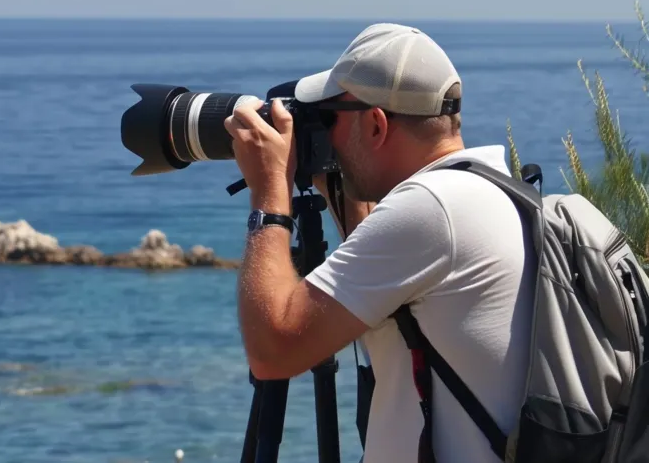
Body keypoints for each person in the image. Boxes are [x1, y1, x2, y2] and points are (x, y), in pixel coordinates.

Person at [222, 23, 535, 463]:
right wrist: (338, 186)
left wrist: (269, 189)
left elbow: (273, 352)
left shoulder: (431, 210)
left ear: (375, 124)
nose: (324, 135)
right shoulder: (493, 192)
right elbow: (390, 311)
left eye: (329, 119)